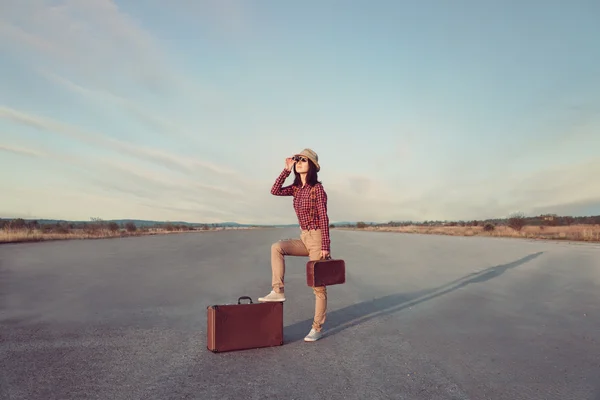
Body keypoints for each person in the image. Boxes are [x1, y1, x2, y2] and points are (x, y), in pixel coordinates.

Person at [258, 148, 331, 342]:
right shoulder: (296, 189)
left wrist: (325, 246)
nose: (299, 162)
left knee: (319, 287)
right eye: (297, 159)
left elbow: (324, 217)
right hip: (304, 237)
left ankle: (317, 328)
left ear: (312, 165)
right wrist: (286, 169)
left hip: (316, 238)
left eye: (304, 160)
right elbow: (274, 190)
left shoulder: (317, 189)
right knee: (277, 247)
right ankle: (278, 290)